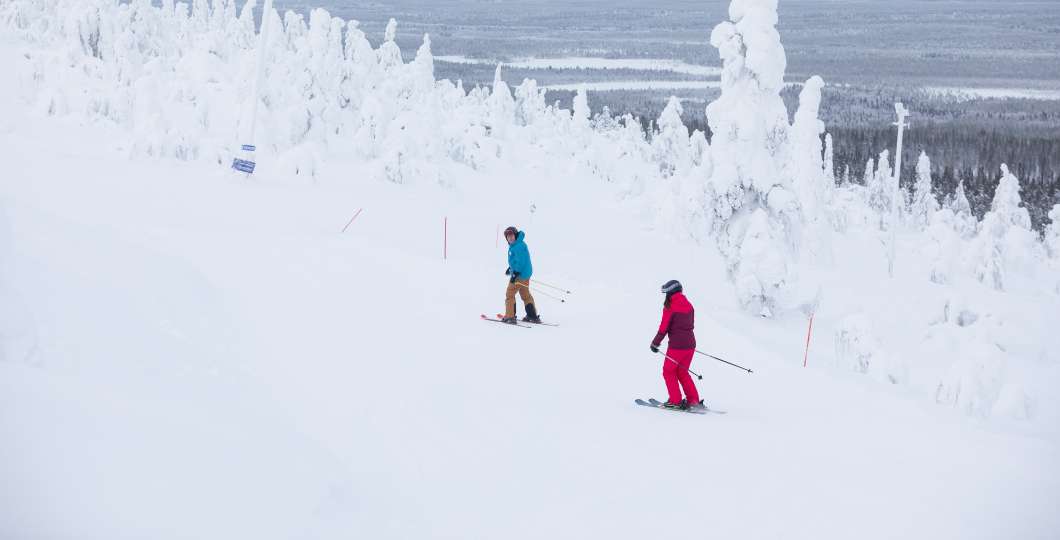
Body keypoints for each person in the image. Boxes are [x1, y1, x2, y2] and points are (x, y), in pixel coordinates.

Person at [650, 280, 703, 410]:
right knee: (682, 372)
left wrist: (655, 343)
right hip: (690, 345)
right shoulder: (689, 305)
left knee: (668, 371)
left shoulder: (670, 306)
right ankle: (693, 400)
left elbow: (664, 328)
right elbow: (689, 325)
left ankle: (675, 401)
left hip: (677, 347)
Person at [502, 226, 540, 324]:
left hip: (520, 275)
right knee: (525, 294)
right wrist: (511, 269)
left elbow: (520, 262)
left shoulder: (518, 246)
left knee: (509, 293)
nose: (510, 238)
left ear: (515, 235)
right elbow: (517, 261)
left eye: (511, 235)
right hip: (525, 274)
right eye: (508, 237)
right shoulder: (518, 244)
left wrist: (515, 273)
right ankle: (532, 315)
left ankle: (510, 316)